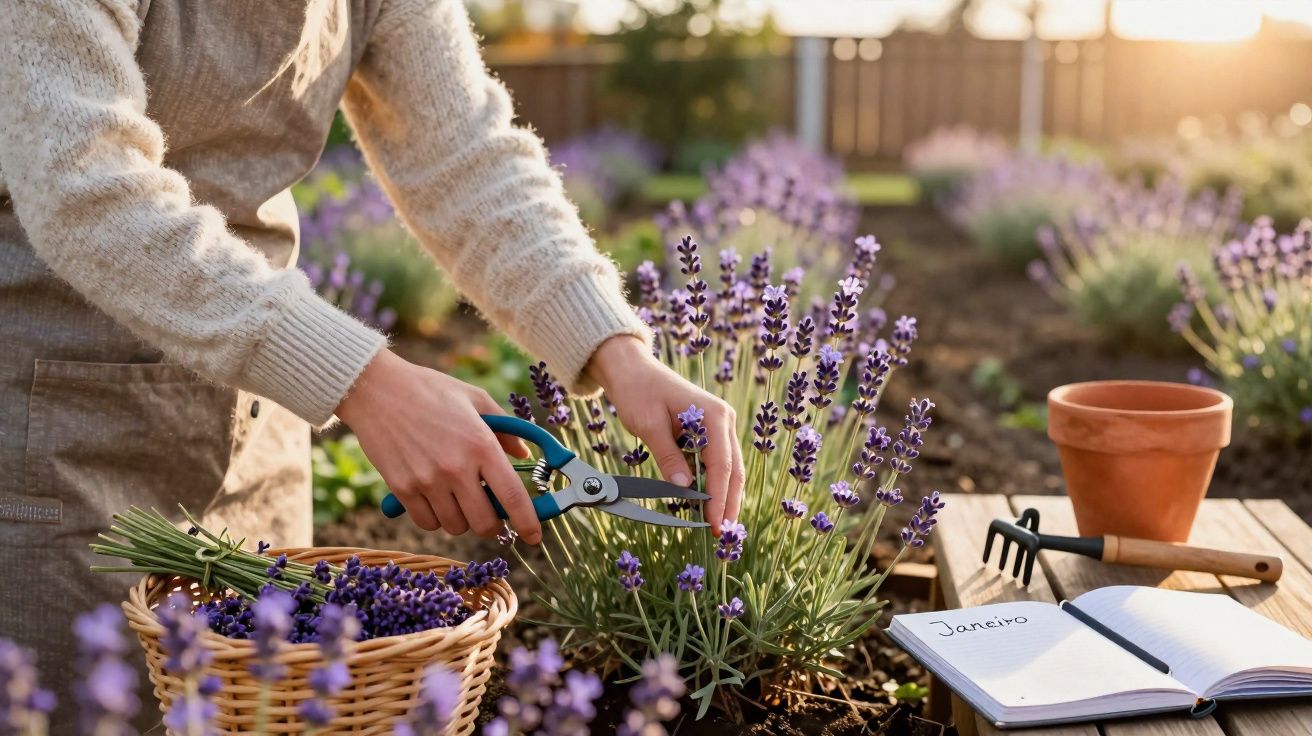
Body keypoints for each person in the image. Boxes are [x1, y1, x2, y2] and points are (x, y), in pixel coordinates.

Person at [0, 0, 744, 726]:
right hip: (56, 436)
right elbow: (84, 184)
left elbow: (466, 156)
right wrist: (367, 382)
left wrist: (620, 352)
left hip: (252, 420)